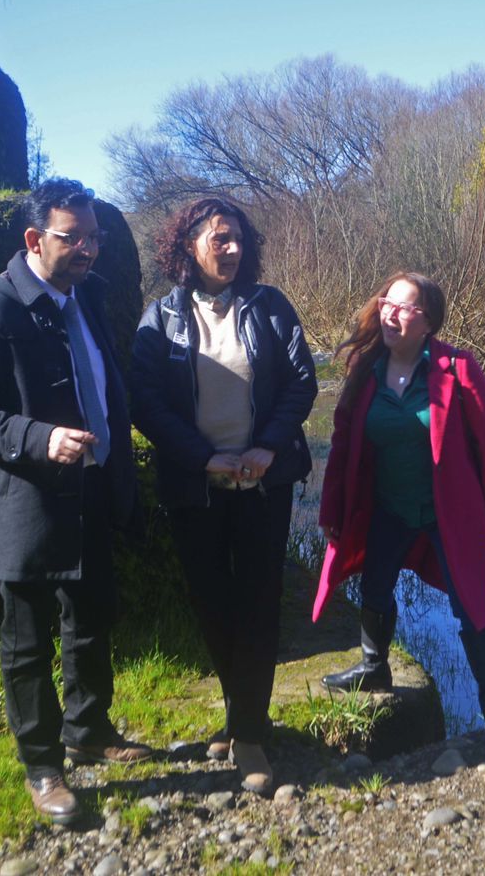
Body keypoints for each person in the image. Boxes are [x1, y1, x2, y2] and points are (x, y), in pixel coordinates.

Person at [0, 178, 151, 827]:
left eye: (95, 236)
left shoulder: (86, 295)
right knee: (27, 642)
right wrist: (39, 437)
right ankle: (43, 768)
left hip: (90, 489)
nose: (90, 249)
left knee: (93, 617)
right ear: (35, 240)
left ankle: (88, 729)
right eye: (74, 237)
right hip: (25, 503)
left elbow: (105, 382)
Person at [130, 197, 317, 796]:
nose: (231, 248)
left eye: (237, 238)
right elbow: (147, 402)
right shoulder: (159, 318)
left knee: (259, 601)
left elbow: (300, 384)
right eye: (219, 238)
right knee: (212, 602)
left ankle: (249, 733)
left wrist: (266, 446)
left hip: (263, 482)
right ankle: (241, 714)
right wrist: (202, 456)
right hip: (196, 484)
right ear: (188, 246)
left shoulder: (271, 307)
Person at [312, 272, 485, 753]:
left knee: (472, 605)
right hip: (388, 506)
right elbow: (343, 446)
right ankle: (372, 666)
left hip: (451, 512)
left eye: (404, 308)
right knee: (375, 584)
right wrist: (333, 507)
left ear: (429, 322)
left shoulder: (458, 369)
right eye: (387, 302)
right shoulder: (365, 370)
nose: (390, 313)